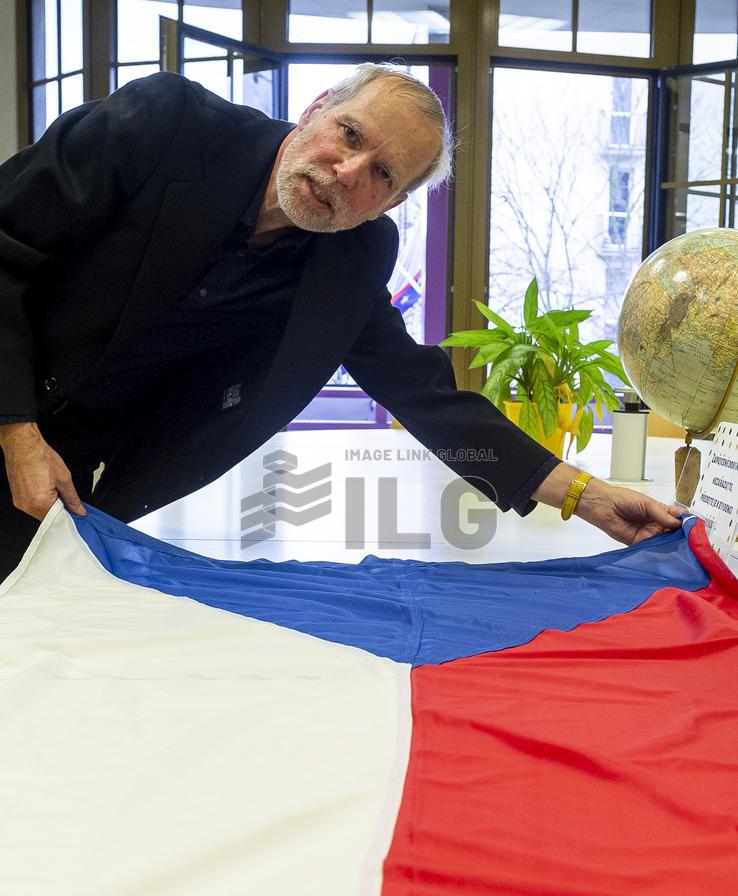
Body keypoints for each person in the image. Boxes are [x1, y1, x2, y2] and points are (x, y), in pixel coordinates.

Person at [0, 64, 682, 580]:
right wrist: (17, 430)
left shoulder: (352, 257)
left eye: (382, 174)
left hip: (75, 480)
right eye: (349, 134)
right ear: (316, 108)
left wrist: (586, 496)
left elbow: (425, 396)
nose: (347, 171)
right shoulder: (168, 124)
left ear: (393, 203)